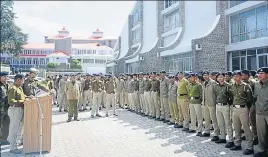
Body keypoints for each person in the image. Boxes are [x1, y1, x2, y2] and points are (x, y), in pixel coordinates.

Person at [230, 70, 254, 155]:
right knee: (236, 128)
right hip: (234, 109)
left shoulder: (245, 86)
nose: (235, 77)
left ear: (240, 76)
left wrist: (245, 107)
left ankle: (250, 147)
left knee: (246, 129)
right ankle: (237, 144)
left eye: (237, 76)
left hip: (243, 109)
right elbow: (232, 96)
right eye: (234, 76)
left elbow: (250, 99)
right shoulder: (232, 86)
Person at [213, 72, 234, 148]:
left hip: (226, 106)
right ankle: (222, 138)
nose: (220, 78)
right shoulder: (216, 86)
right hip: (218, 106)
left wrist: (229, 103)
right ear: (217, 78)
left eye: (221, 77)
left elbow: (232, 96)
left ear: (224, 77)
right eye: (218, 77)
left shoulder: (228, 86)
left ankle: (231, 140)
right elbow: (215, 95)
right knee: (220, 123)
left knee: (228, 123)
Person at [7, 74, 25, 154]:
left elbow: (22, 97)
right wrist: (22, 102)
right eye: (22, 80)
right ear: (18, 80)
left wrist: (28, 97)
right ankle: (12, 147)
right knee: (13, 129)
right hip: (14, 109)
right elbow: (10, 101)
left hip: (20, 109)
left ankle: (16, 143)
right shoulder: (13, 88)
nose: (23, 82)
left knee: (19, 128)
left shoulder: (19, 88)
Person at [254, 67, 268, 157]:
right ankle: (263, 150)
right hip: (259, 112)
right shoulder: (256, 84)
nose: (259, 75)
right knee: (261, 134)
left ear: (267, 75)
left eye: (262, 73)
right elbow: (255, 97)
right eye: (258, 73)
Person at [202, 71, 220, 141]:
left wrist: (215, 102)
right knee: (206, 118)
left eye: (206, 75)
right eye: (204, 75)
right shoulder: (204, 83)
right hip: (205, 103)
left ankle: (216, 134)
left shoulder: (213, 83)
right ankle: (207, 131)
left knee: (214, 119)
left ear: (209, 75)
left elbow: (217, 93)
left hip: (212, 103)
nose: (205, 77)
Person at [0, 72, 10, 145]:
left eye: (7, 76)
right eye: (4, 77)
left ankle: (4, 139)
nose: (6, 78)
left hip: (6, 108)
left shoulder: (6, 85)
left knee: (6, 124)